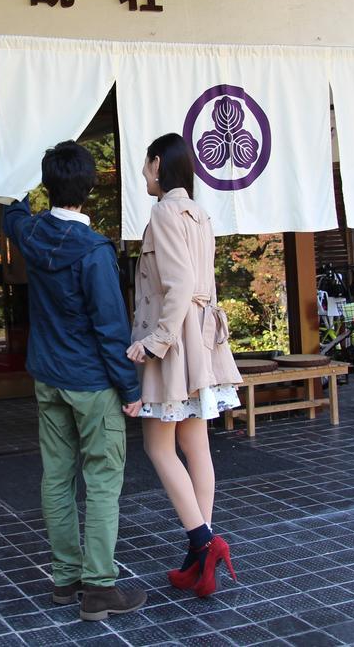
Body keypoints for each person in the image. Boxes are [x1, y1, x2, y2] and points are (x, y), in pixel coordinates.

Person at [2, 140, 148, 622]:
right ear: (90, 187)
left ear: (48, 185)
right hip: (92, 382)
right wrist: (130, 390)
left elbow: (11, 213)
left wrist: (19, 182)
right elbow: (111, 328)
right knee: (103, 481)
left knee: (57, 478)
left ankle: (65, 579)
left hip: (48, 376)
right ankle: (99, 588)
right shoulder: (95, 252)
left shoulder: (31, 232)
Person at [126, 133, 243, 598]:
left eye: (145, 163)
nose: (142, 173)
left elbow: (176, 286)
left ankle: (204, 542)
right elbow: (197, 285)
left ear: (158, 164)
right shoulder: (199, 212)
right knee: (196, 444)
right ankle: (200, 558)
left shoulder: (163, 213)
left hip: (174, 343)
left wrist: (154, 342)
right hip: (200, 341)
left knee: (159, 447)